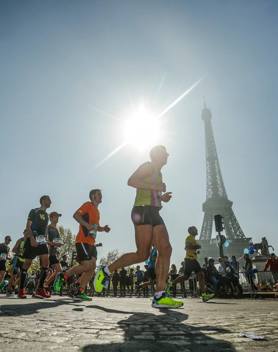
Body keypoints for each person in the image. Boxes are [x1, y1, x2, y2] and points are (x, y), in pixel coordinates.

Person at [94, 145, 183, 308]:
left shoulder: (159, 173)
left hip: (154, 212)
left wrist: (162, 198)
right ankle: (106, 271)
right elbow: (131, 181)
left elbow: (150, 192)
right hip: (142, 210)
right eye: (165, 153)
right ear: (157, 155)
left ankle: (160, 295)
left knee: (166, 249)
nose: (168, 155)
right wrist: (156, 187)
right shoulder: (148, 166)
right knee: (142, 254)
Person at [54, 189, 110, 301]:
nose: (101, 196)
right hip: (82, 241)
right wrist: (87, 225)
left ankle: (80, 291)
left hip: (92, 243)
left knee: (92, 268)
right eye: (99, 194)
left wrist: (103, 228)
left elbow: (96, 226)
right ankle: (63, 276)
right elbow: (75, 215)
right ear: (93, 196)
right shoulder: (88, 205)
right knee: (85, 266)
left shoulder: (97, 211)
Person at [18, 195, 52, 298]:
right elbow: (28, 225)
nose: (50, 202)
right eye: (48, 200)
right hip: (32, 239)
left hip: (42, 241)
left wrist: (47, 241)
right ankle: (20, 290)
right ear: (42, 201)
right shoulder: (34, 211)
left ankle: (40, 289)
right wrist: (31, 238)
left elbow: (45, 229)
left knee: (46, 263)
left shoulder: (47, 215)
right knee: (27, 264)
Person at [174, 226, 214, 302]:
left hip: (192, 259)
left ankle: (204, 295)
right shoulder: (189, 238)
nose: (197, 230)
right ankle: (172, 284)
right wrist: (197, 246)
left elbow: (191, 248)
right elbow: (187, 247)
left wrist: (196, 251)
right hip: (190, 259)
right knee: (190, 276)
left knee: (197, 275)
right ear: (191, 231)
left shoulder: (192, 238)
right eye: (195, 229)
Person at [44, 212, 63, 293]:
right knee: (45, 271)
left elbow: (59, 241)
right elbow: (45, 240)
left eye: (58, 216)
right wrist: (53, 244)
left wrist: (60, 243)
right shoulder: (48, 227)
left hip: (54, 253)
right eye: (56, 216)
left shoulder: (57, 229)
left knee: (59, 270)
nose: (57, 218)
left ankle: (45, 284)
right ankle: (43, 285)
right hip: (47, 252)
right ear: (51, 218)